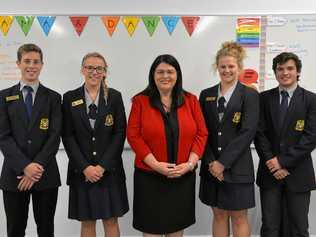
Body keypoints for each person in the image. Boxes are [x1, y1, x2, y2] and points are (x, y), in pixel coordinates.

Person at [127, 54, 208, 237]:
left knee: (176, 229)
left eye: (170, 71)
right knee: (151, 230)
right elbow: (133, 135)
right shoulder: (140, 101)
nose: (165, 76)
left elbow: (202, 133)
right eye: (160, 72)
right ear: (153, 75)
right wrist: (156, 165)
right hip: (149, 177)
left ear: (177, 74)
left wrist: (189, 164)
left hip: (182, 176)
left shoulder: (191, 100)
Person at [62, 52, 129, 237]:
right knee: (87, 221)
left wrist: (102, 166)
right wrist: (85, 168)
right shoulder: (69, 98)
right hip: (81, 173)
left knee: (111, 220)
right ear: (82, 70)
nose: (94, 72)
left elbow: (120, 133)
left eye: (99, 68)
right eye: (90, 67)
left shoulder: (115, 97)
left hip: (110, 172)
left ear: (105, 72)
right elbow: (67, 136)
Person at [0, 43, 62, 237]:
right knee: (15, 229)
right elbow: (3, 136)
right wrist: (25, 166)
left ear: (42, 65)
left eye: (36, 62)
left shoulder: (53, 97)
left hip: (45, 175)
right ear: (18, 63)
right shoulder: (4, 97)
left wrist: (35, 167)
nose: (31, 66)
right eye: (27, 61)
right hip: (14, 176)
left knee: (46, 229)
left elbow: (54, 135)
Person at [199, 41, 259, 237]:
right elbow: (202, 132)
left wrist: (222, 163)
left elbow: (248, 131)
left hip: (237, 168)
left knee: (239, 217)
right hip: (211, 169)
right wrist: (210, 163)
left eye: (231, 66)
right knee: (218, 215)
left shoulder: (249, 94)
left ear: (239, 68)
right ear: (217, 67)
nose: (226, 70)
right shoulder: (206, 95)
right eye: (223, 66)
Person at [254, 52, 316, 237]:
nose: (285, 72)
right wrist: (273, 164)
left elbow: (310, 137)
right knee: (270, 227)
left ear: (298, 72)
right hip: (270, 173)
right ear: (275, 72)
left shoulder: (311, 100)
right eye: (280, 69)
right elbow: (259, 134)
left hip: (298, 174)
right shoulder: (263, 98)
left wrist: (283, 162)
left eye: (289, 68)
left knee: (298, 228)